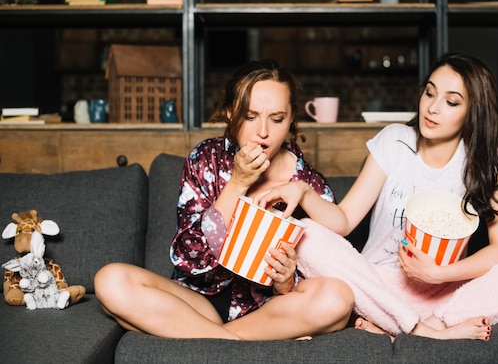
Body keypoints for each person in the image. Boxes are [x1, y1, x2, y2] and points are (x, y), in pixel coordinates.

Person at [255, 53, 498, 341]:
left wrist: (441, 274)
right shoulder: (395, 141)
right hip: (378, 288)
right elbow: (344, 220)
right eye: (429, 93)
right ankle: (422, 330)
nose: (433, 107)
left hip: (448, 292)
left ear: (473, 113)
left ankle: (428, 323)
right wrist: (304, 192)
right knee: (307, 234)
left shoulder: (485, 162)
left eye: (451, 102)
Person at [94, 59, 354, 340]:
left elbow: (326, 268)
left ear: (291, 119)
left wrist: (285, 283)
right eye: (250, 116)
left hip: (268, 314)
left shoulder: (308, 184)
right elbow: (187, 258)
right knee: (110, 280)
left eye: (277, 119)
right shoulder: (207, 159)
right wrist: (238, 182)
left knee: (338, 299)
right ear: (231, 113)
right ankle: (231, 343)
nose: (263, 131)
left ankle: (206, 340)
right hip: (197, 303)